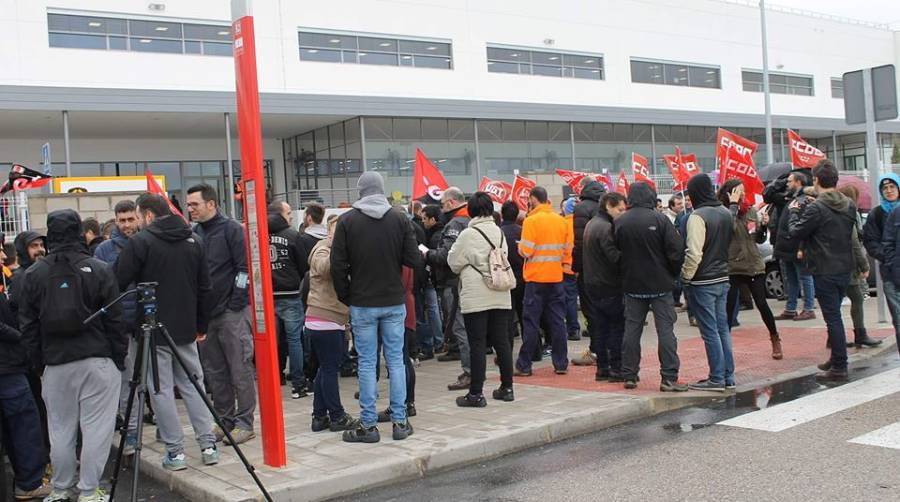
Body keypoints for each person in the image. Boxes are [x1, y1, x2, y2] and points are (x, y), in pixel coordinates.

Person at [20, 209, 126, 502]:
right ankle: (90, 491)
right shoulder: (100, 268)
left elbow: (27, 325)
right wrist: (118, 358)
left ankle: (61, 488)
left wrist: (38, 364)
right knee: (96, 429)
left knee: (60, 429)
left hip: (55, 363)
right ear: (79, 231)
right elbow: (115, 321)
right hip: (97, 359)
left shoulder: (33, 274)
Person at [116, 192, 219, 470]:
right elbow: (205, 287)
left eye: (137, 217)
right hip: (186, 327)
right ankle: (208, 444)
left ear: (148, 215)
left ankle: (175, 452)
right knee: (192, 384)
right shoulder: (193, 240)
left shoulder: (141, 242)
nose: (136, 223)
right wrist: (201, 324)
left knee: (159, 389)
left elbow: (119, 278)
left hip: (153, 329)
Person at [331, 171, 420, 443]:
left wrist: (347, 295)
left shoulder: (347, 221)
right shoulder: (399, 218)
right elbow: (414, 259)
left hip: (362, 302)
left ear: (360, 190)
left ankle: (368, 427)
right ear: (382, 189)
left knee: (367, 363)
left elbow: (337, 265)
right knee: (396, 361)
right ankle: (400, 422)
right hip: (394, 300)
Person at [186, 183, 257, 445]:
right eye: (189, 204)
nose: (190, 208)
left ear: (211, 204)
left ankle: (244, 423)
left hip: (230, 313)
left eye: (194, 204)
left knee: (239, 369)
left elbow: (243, 269)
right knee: (215, 372)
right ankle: (225, 420)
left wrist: (235, 303)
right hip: (207, 316)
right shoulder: (195, 234)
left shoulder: (231, 231)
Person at [786, 160, 868, 381]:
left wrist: (794, 212)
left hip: (824, 268)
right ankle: (836, 357)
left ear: (817, 180)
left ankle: (840, 366)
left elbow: (796, 232)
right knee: (835, 316)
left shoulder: (817, 207)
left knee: (832, 318)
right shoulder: (849, 204)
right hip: (844, 267)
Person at [615, 182, 688, 392]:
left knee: (632, 330)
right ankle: (668, 377)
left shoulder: (621, 221)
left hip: (632, 284)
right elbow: (676, 250)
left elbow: (614, 251)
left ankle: (629, 374)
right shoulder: (660, 219)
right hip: (660, 283)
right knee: (665, 331)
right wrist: (672, 273)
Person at [448, 192, 515, 406]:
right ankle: (507, 388)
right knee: (502, 343)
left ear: (471, 211)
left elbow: (453, 261)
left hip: (476, 296)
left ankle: (476, 393)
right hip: (500, 292)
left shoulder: (469, 233)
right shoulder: (500, 232)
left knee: (477, 344)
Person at [0, 237, 52, 500]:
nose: (2, 255)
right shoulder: (17, 278)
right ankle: (30, 482)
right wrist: (24, 336)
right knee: (24, 423)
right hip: (8, 368)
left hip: (11, 365)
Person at [93, 200, 142, 452]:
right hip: (120, 324)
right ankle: (132, 432)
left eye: (130, 219)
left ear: (138, 218)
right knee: (127, 383)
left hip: (146, 322)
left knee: (153, 382)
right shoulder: (103, 250)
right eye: (121, 220)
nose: (126, 225)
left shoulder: (147, 243)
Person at [717, 180, 783, 360]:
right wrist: (732, 206)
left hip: (753, 265)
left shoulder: (750, 210)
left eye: (743, 191)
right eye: (739, 192)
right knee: (730, 308)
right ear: (729, 193)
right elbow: (726, 229)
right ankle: (724, 346)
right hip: (732, 267)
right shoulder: (723, 212)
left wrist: (763, 227)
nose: (742, 195)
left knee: (762, 303)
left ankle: (775, 338)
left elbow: (758, 239)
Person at [681, 175, 734, 392]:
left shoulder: (697, 216)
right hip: (723, 276)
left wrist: (685, 276)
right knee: (723, 329)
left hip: (703, 280)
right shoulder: (725, 212)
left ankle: (716, 378)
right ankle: (727, 376)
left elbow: (694, 253)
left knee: (710, 331)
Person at [514, 186, 573, 376]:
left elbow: (526, 251)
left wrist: (520, 247)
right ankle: (561, 363)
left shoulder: (531, 221)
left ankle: (524, 365)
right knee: (557, 321)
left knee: (531, 322)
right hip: (556, 278)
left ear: (532, 199)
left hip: (536, 279)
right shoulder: (560, 221)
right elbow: (566, 250)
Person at [307, 215, 356, 432]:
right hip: (324, 318)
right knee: (329, 370)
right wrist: (341, 248)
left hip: (330, 318)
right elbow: (323, 266)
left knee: (323, 370)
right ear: (329, 232)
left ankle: (319, 416)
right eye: (339, 232)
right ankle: (337, 415)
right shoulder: (323, 248)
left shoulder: (334, 248)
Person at [426, 187, 472, 391]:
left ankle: (470, 372)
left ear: (452, 203)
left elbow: (446, 255)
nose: (441, 208)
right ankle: (473, 371)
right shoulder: (474, 219)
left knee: (460, 328)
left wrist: (427, 254)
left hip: (455, 282)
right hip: (471, 281)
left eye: (443, 204)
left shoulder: (455, 223)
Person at [582, 192, 627, 382]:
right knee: (616, 328)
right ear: (608, 205)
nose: (623, 213)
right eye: (620, 209)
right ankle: (616, 368)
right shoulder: (606, 227)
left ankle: (602, 368)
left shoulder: (592, 224)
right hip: (608, 284)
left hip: (593, 283)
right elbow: (614, 257)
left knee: (600, 328)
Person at [268, 200, 310, 399]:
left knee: (273, 341)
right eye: (288, 212)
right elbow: (304, 266)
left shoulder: (260, 234)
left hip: (269, 296)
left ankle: (275, 379)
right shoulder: (293, 235)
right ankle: (298, 385)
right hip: (291, 294)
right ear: (280, 214)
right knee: (294, 340)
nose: (291, 215)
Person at [837, 185, 881, 348]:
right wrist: (863, 265)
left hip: (829, 264)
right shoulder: (850, 211)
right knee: (856, 297)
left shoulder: (826, 210)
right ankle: (860, 334)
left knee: (834, 303)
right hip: (848, 263)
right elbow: (854, 241)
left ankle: (834, 336)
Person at [771, 171, 816, 321]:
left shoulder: (803, 201)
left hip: (797, 248)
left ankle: (809, 308)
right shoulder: (791, 199)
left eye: (790, 181)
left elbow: (804, 227)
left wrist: (801, 248)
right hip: (786, 247)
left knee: (805, 277)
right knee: (791, 279)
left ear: (798, 183)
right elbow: (768, 194)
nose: (787, 184)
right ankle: (791, 308)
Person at [864, 173, 900, 352]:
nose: (889, 190)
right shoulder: (877, 214)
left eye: (892, 187)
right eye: (885, 188)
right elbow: (871, 242)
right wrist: (888, 259)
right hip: (890, 275)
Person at [418, 204, 445, 359]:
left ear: (433, 219)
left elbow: (434, 257)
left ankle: (437, 341)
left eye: (424, 219)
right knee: (435, 309)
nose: (422, 222)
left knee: (433, 310)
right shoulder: (435, 233)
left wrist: (425, 254)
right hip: (433, 278)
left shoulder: (435, 236)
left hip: (430, 277)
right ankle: (439, 340)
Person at [500, 201, 525, 348]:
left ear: (502, 214)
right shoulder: (522, 231)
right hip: (523, 276)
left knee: (507, 318)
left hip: (505, 278)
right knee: (526, 316)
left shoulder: (498, 232)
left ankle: (506, 351)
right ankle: (534, 349)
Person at [560, 197, 581, 341]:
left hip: (566, 268)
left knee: (570, 300)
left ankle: (573, 329)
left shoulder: (562, 224)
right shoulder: (583, 223)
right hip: (583, 267)